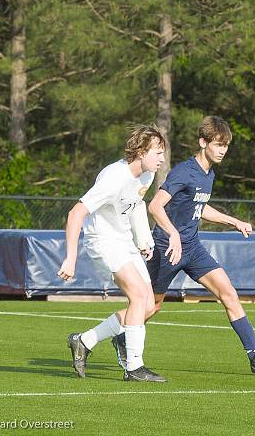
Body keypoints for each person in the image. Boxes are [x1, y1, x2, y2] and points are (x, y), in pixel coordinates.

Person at [110, 115, 255, 374]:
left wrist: (234, 221)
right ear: (203, 142)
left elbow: (199, 207)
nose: (222, 150)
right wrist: (174, 235)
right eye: (218, 144)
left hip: (192, 248)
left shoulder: (208, 173)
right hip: (166, 248)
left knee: (229, 294)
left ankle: (254, 356)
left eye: (226, 145)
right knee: (148, 308)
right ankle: (99, 337)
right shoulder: (183, 172)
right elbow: (155, 206)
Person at [58, 125, 167, 382]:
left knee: (150, 306)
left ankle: (84, 340)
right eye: (158, 152)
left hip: (124, 240)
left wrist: (143, 239)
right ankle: (134, 367)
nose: (162, 158)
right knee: (139, 296)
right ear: (141, 152)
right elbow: (76, 213)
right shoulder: (113, 177)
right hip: (103, 242)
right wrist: (70, 258)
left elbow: (137, 204)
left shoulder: (147, 175)